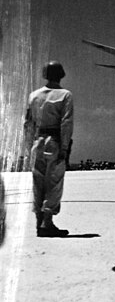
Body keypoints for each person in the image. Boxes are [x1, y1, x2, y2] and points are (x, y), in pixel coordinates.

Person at [24, 61, 73, 237]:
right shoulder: (65, 95)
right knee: (54, 183)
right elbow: (66, 123)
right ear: (61, 74)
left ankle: (39, 223)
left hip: (37, 142)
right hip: (54, 141)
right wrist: (65, 148)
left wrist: (29, 146)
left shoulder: (34, 95)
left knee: (38, 183)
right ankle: (47, 223)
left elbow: (28, 123)